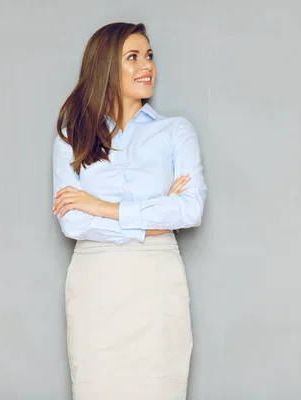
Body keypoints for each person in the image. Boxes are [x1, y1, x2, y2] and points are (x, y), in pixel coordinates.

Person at [51, 22, 207, 400]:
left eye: (149, 56)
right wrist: (153, 216)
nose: (146, 66)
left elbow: (189, 210)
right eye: (133, 58)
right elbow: (72, 220)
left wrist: (101, 207)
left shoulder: (175, 131)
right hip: (96, 281)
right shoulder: (73, 135)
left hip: (156, 278)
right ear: (105, 66)